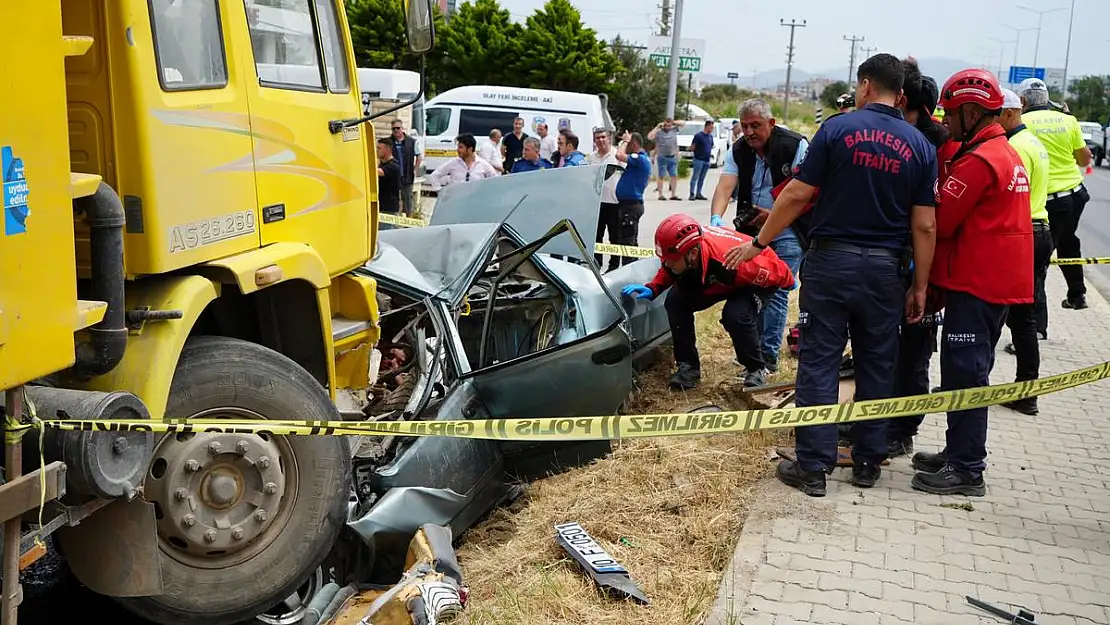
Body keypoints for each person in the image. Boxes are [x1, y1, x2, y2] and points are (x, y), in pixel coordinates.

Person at [728, 53, 938, 496]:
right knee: (878, 363)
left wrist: (759, 243)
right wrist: (920, 285)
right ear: (899, 94)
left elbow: (798, 194)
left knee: (820, 362)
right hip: (885, 271)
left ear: (864, 86)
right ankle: (867, 462)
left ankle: (814, 467)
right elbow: (925, 224)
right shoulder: (920, 146)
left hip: (831, 264)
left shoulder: (837, 130)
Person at [910, 69, 1033, 497]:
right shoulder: (1001, 150)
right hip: (991, 282)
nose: (944, 122)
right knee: (969, 368)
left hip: (977, 282)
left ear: (973, 111)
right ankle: (957, 451)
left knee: (965, 373)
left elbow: (940, 223)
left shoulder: (979, 161)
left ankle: (967, 468)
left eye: (950, 113)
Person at [621, 214, 795, 390]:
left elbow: (777, 271)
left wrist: (788, 281)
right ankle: (688, 368)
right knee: (675, 301)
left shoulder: (734, 261)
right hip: (716, 280)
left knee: (735, 315)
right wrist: (654, 288)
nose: (666, 263)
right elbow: (668, 268)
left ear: (693, 254)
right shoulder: (680, 253)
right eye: (664, 259)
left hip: (747, 280)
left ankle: (756, 368)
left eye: (671, 260)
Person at [709, 98, 808, 376]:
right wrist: (716, 219)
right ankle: (753, 355)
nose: (750, 132)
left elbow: (803, 192)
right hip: (750, 232)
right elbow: (726, 184)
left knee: (775, 291)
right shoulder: (739, 149)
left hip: (789, 228)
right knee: (750, 290)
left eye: (756, 125)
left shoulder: (795, 145)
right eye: (745, 126)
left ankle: (767, 357)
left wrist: (774, 214)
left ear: (772, 124)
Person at [883, 59, 950, 457]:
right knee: (885, 349)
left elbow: (931, 221)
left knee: (913, 352)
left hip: (921, 267)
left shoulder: (935, 147)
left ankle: (902, 428)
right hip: (893, 265)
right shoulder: (912, 140)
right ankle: (880, 421)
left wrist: (922, 281)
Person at [996, 88, 1052, 417]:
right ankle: (1026, 389)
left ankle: (1023, 390)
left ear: (1009, 113)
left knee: (1006, 314)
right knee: (1024, 316)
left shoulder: (1014, 146)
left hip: (1024, 232)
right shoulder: (1034, 142)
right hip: (1040, 230)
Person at [1019, 78, 1094, 310]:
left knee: (1039, 259)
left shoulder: (1021, 122)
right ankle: (1077, 294)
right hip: (1076, 194)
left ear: (1022, 101)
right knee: (1068, 241)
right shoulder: (1068, 120)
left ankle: (1037, 326)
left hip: (1050, 200)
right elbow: (1084, 159)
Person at [609, 132, 651, 270]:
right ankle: (633, 268)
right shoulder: (638, 161)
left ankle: (628, 271)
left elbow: (619, 155)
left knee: (627, 243)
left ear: (633, 144)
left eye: (628, 144)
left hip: (630, 206)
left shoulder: (639, 158)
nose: (625, 147)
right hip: (629, 205)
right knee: (629, 241)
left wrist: (624, 141)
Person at [589, 128, 625, 271]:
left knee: (614, 237)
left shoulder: (617, 155)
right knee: (596, 236)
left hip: (614, 202)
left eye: (603, 137)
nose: (601, 140)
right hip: (597, 203)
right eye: (598, 138)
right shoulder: (592, 157)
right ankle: (597, 264)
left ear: (609, 138)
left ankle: (614, 266)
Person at [425, 133, 499, 187]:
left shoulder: (483, 165)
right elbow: (434, 176)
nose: (457, 150)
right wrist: (440, 193)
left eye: (461, 147)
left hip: (476, 204)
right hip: (456, 204)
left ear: (470, 149)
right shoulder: (453, 163)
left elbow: (496, 182)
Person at [389, 119, 422, 217]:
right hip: (393, 176)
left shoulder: (411, 141)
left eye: (398, 128)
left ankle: (409, 223)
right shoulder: (389, 142)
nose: (396, 131)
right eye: (393, 129)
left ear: (402, 128)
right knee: (394, 200)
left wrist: (415, 169)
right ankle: (395, 222)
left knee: (408, 199)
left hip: (407, 175)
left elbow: (419, 157)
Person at [648, 118, 683, 200]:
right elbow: (649, 137)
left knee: (674, 175)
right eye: (666, 125)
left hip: (672, 156)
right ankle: (660, 194)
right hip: (662, 156)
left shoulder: (674, 130)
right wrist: (657, 127)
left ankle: (673, 194)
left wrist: (673, 122)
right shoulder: (659, 132)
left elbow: (683, 123)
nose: (668, 127)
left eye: (669, 126)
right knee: (661, 175)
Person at [376, 137, 402, 226]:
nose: (376, 150)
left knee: (384, 235)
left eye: (379, 148)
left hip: (388, 209)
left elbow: (378, 172)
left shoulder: (394, 166)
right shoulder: (382, 163)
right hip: (380, 206)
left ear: (387, 150)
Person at [689, 120, 715, 200]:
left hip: (706, 160)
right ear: (706, 126)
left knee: (702, 178)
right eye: (711, 127)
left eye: (712, 128)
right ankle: (692, 193)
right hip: (698, 159)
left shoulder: (710, 137)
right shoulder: (698, 136)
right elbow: (693, 146)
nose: (712, 129)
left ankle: (699, 193)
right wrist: (696, 153)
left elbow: (711, 146)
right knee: (695, 176)